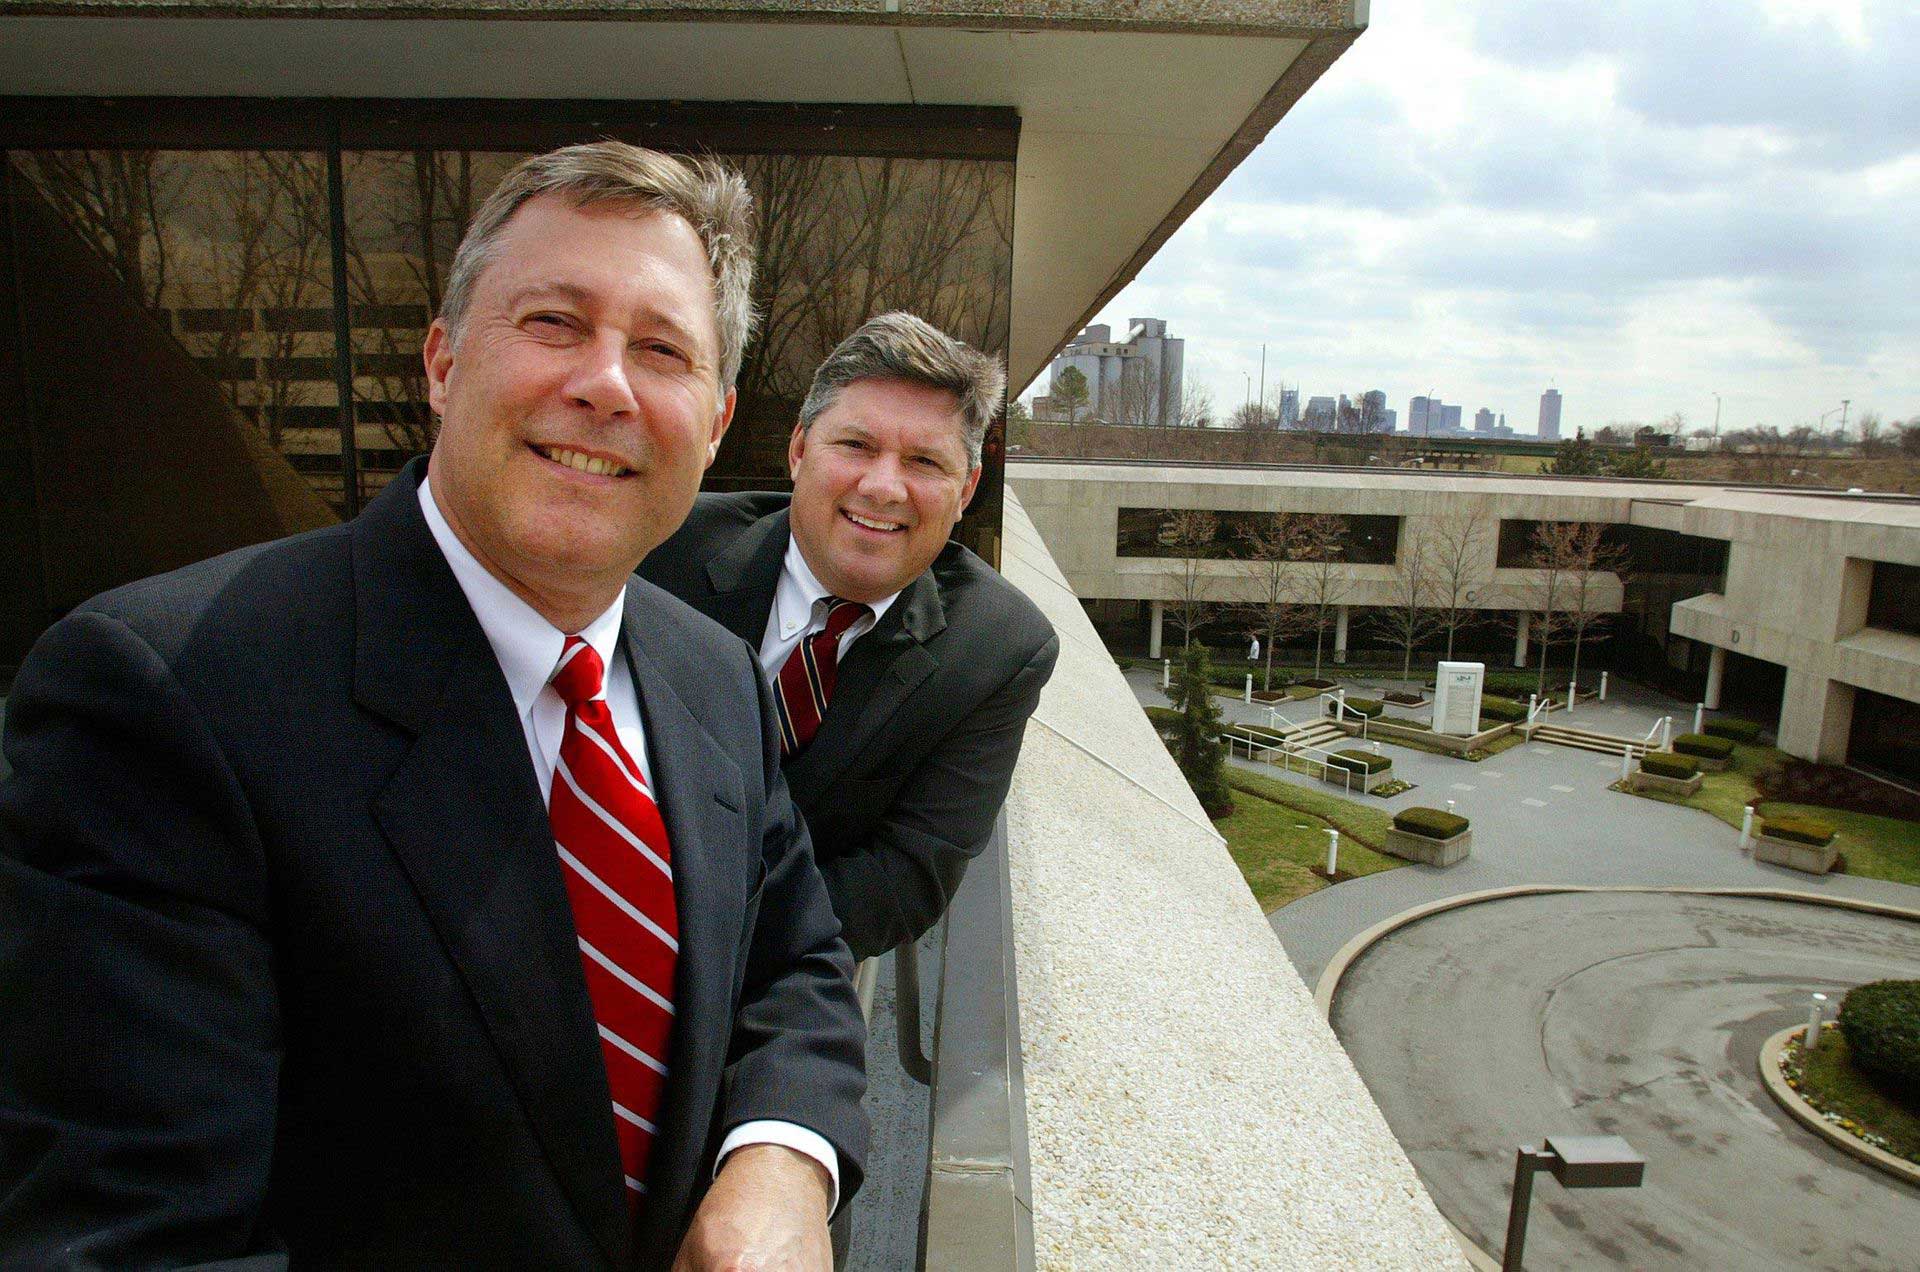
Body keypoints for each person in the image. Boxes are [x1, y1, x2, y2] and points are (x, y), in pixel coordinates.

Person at [0, 142, 865, 1270]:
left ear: (713, 424)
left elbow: (794, 958)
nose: (606, 384)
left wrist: (784, 1159)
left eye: (662, 349)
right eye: (554, 322)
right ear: (445, 362)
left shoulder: (711, 675)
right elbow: (128, 1241)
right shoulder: (166, 696)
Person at [640, 313, 1058, 961]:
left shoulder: (999, 647)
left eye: (924, 461)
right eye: (856, 446)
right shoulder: (662, 549)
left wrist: (697, 945)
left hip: (762, 967)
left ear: (967, 489)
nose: (884, 486)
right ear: (800, 449)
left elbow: (904, 878)